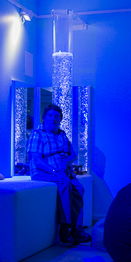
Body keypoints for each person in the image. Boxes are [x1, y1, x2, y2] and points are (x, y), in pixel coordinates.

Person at [27, 104, 91, 244]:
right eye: (50, 115)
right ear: (44, 118)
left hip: (63, 171)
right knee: (64, 183)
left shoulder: (62, 134)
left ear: (60, 119)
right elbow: (37, 160)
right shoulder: (38, 134)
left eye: (57, 116)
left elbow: (73, 155)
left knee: (79, 188)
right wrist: (55, 171)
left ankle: (77, 229)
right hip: (43, 171)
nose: (54, 119)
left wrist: (65, 163)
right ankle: (65, 228)